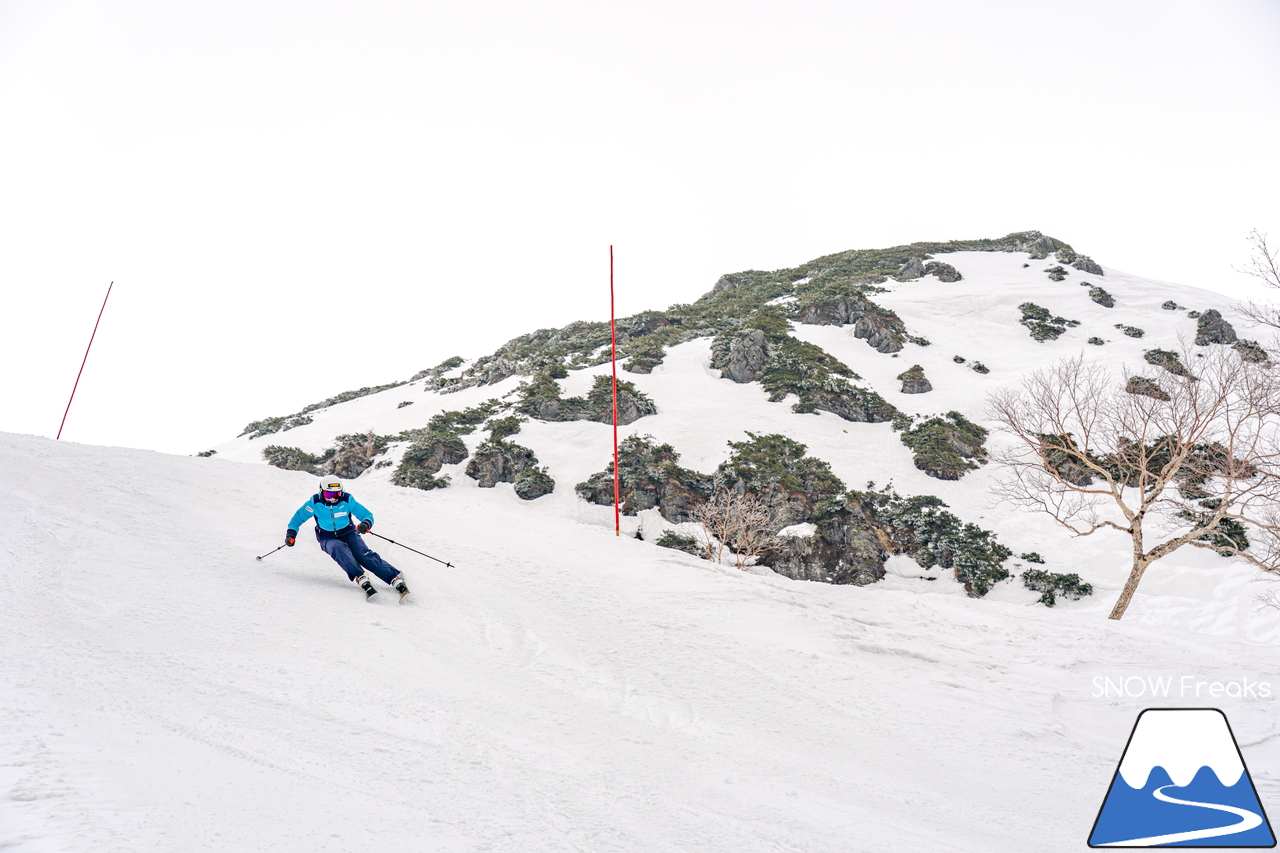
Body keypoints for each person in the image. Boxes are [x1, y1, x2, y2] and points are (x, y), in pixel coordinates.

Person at [286, 478, 410, 601]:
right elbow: (297, 519)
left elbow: (367, 515)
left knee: (363, 555)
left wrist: (365, 524)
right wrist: (291, 534)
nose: (333, 498)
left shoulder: (347, 500)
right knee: (338, 549)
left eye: (337, 494)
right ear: (322, 492)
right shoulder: (314, 503)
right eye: (329, 494)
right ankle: (360, 577)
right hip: (326, 537)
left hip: (348, 533)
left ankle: (394, 577)